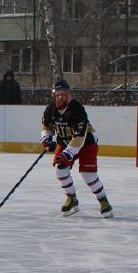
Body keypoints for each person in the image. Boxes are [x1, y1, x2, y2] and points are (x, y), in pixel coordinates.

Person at [41, 79, 112, 218]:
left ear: (68, 95)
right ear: (54, 95)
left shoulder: (77, 109)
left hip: (86, 143)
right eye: (58, 94)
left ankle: (103, 201)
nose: (61, 97)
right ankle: (71, 199)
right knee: (60, 169)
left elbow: (80, 135)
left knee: (88, 174)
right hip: (65, 143)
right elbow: (46, 126)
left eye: (64, 94)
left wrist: (69, 153)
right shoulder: (50, 109)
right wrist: (46, 139)